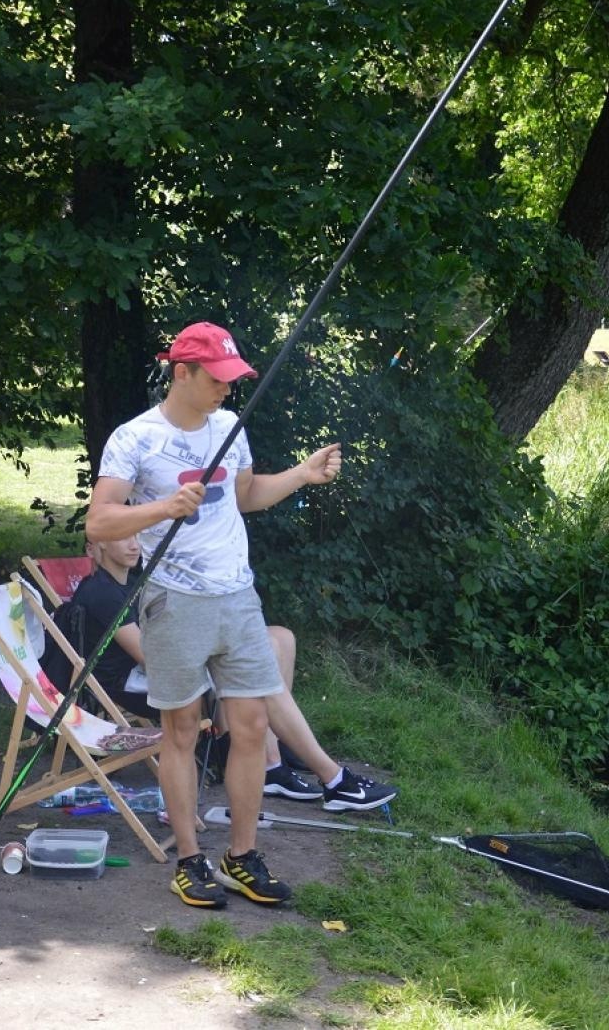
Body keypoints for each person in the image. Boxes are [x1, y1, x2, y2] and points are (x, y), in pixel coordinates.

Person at [87, 320, 389, 909]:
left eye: (234, 378)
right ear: (182, 372)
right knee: (181, 732)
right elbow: (99, 522)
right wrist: (163, 508)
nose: (228, 389)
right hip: (174, 602)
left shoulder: (229, 427)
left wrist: (302, 474)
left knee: (250, 728)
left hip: (238, 598)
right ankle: (190, 859)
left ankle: (241, 857)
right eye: (218, 378)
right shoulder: (135, 438)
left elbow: (245, 496)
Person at [49, 534, 397, 809]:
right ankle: (287, 767)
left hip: (164, 665)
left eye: (136, 535)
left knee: (281, 639)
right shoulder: (102, 593)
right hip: (139, 683)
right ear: (95, 548)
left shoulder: (136, 582)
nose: (133, 543)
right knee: (254, 662)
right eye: (122, 537)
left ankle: (270, 755)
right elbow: (149, 657)